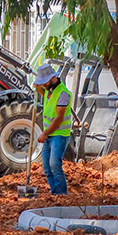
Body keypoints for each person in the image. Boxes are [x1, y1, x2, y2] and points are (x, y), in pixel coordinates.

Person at [33, 63, 74, 195]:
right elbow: (45, 96)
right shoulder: (49, 91)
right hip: (50, 135)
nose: (43, 85)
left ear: (52, 78)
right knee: (47, 166)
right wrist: (38, 89)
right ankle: (54, 193)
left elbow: (58, 119)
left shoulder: (63, 94)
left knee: (54, 164)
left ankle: (61, 195)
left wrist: (44, 134)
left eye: (44, 82)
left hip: (59, 134)